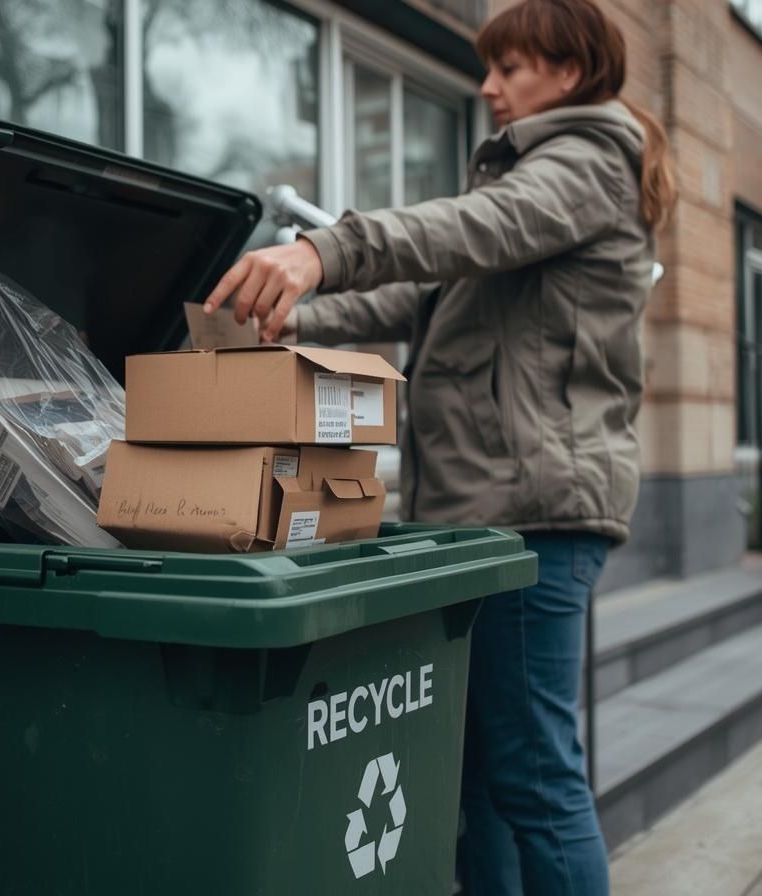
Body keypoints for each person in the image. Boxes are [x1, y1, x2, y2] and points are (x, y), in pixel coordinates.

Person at [202, 0, 675, 891]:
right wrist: (281, 315)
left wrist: (324, 249)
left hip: (533, 514)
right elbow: (416, 300)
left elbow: (465, 230)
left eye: (510, 68)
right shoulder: (543, 178)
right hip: (488, 510)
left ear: (569, 74)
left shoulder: (583, 166)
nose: (488, 88)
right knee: (486, 784)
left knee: (534, 780)